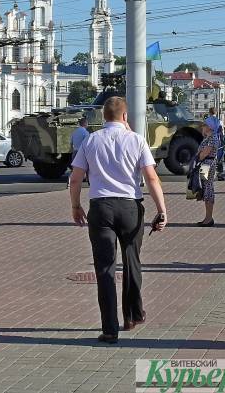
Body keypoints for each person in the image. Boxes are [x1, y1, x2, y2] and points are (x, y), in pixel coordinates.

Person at [69, 96, 167, 344]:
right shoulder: (136, 140)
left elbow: (76, 178)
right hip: (130, 207)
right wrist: (162, 210)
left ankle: (109, 329)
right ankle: (132, 315)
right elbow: (152, 178)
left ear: (104, 117)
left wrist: (75, 205)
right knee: (132, 261)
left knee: (105, 268)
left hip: (100, 208)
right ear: (125, 116)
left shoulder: (91, 140)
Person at [196, 122, 220, 226]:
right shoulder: (209, 138)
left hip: (207, 165)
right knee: (206, 188)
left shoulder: (212, 139)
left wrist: (199, 153)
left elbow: (203, 155)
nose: (202, 127)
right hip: (206, 164)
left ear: (209, 127)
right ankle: (207, 217)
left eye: (204, 126)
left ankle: (209, 218)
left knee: (208, 189)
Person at [67, 117, 90, 188]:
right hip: (82, 153)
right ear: (86, 124)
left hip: (75, 152)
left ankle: (69, 182)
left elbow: (71, 143)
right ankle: (89, 182)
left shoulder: (74, 132)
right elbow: (87, 144)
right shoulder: (86, 133)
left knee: (74, 169)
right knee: (88, 168)